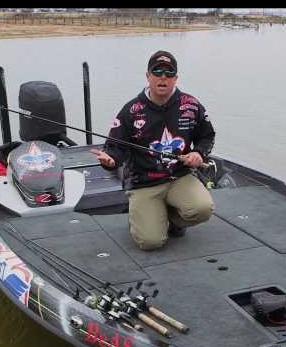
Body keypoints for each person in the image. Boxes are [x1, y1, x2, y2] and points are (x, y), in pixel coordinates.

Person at [90, 50, 215, 251]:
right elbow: (115, 148)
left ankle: (173, 220)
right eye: (157, 72)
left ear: (176, 78)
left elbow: (207, 135)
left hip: (179, 177)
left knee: (202, 209)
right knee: (150, 242)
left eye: (168, 73)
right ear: (148, 76)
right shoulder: (131, 110)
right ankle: (142, 218)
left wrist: (199, 153)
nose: (162, 77)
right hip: (143, 181)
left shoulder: (191, 105)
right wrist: (110, 160)